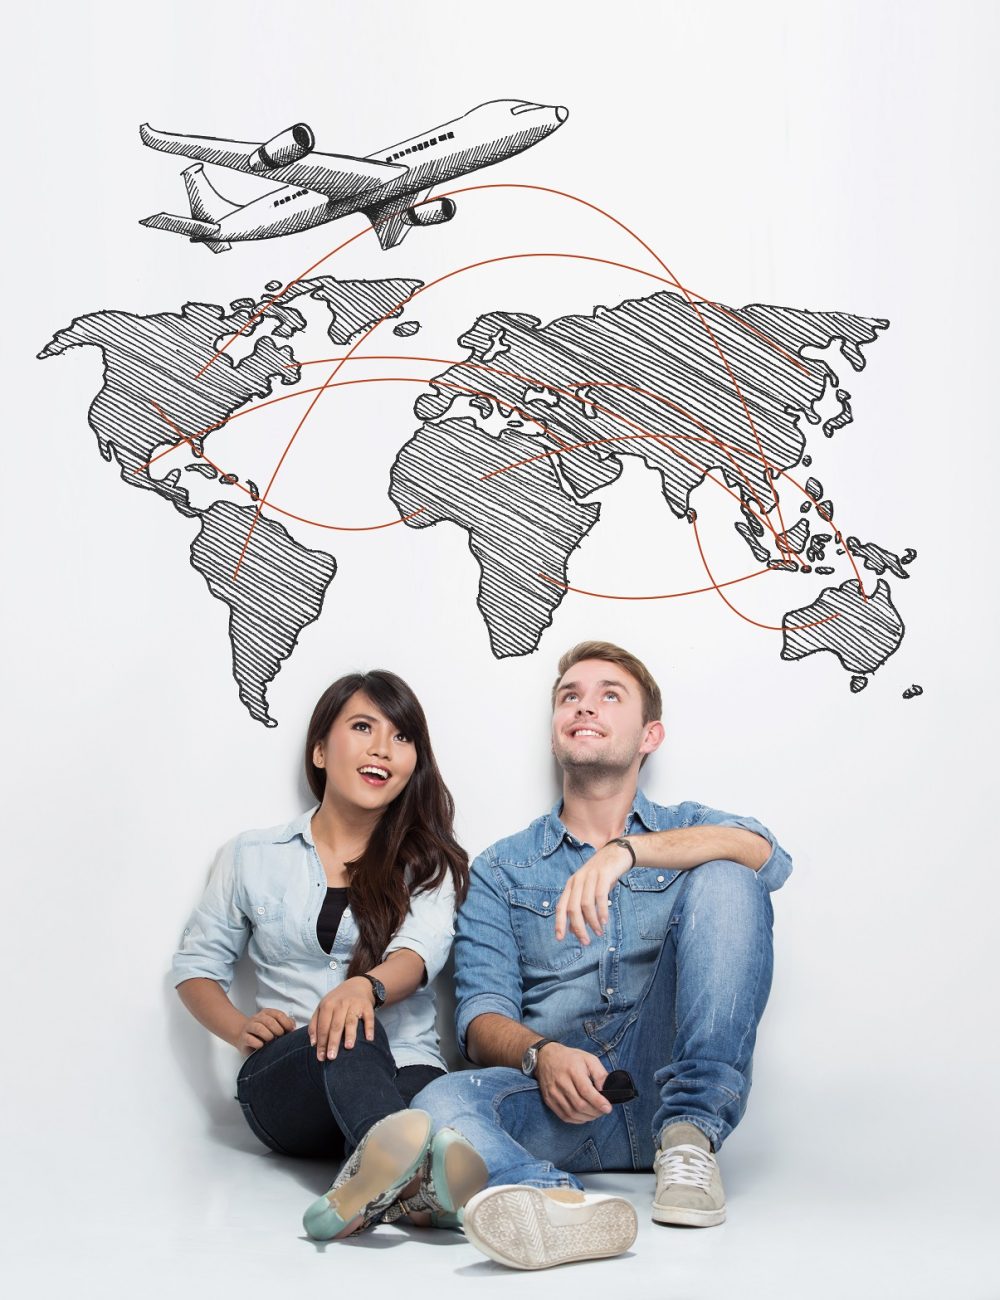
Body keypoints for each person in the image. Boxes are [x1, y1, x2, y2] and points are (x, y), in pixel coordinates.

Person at [412, 640, 792, 1270]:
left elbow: (769, 858)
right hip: (564, 1101)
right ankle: (552, 1202)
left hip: (669, 1078)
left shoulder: (687, 828)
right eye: (570, 696)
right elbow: (478, 1019)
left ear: (650, 735)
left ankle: (689, 1138)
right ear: (555, 730)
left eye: (609, 695)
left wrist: (627, 852)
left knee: (730, 874)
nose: (584, 706)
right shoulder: (502, 868)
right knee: (437, 1103)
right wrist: (542, 1054)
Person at [171, 670, 486, 1240]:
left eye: (401, 736)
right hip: (290, 1081)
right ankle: (399, 1177)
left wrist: (364, 985)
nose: (381, 749)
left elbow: (419, 953)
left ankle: (394, 1185)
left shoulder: (430, 863)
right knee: (350, 1030)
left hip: (404, 1067)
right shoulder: (252, 855)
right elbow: (196, 968)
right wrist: (241, 1027)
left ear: (416, 761)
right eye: (362, 727)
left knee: (434, 1113)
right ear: (319, 750)